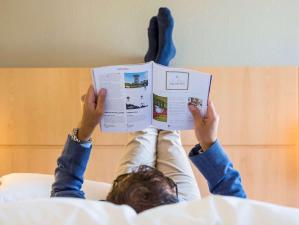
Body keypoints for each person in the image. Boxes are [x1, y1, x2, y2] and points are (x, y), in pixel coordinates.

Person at [51, 7, 246, 213]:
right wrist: (85, 127)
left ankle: (157, 65)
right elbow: (239, 206)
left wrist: (208, 142)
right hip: (169, 205)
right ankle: (159, 65)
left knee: (148, 130)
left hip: (141, 200)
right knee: (163, 133)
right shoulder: (185, 218)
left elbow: (64, 189)